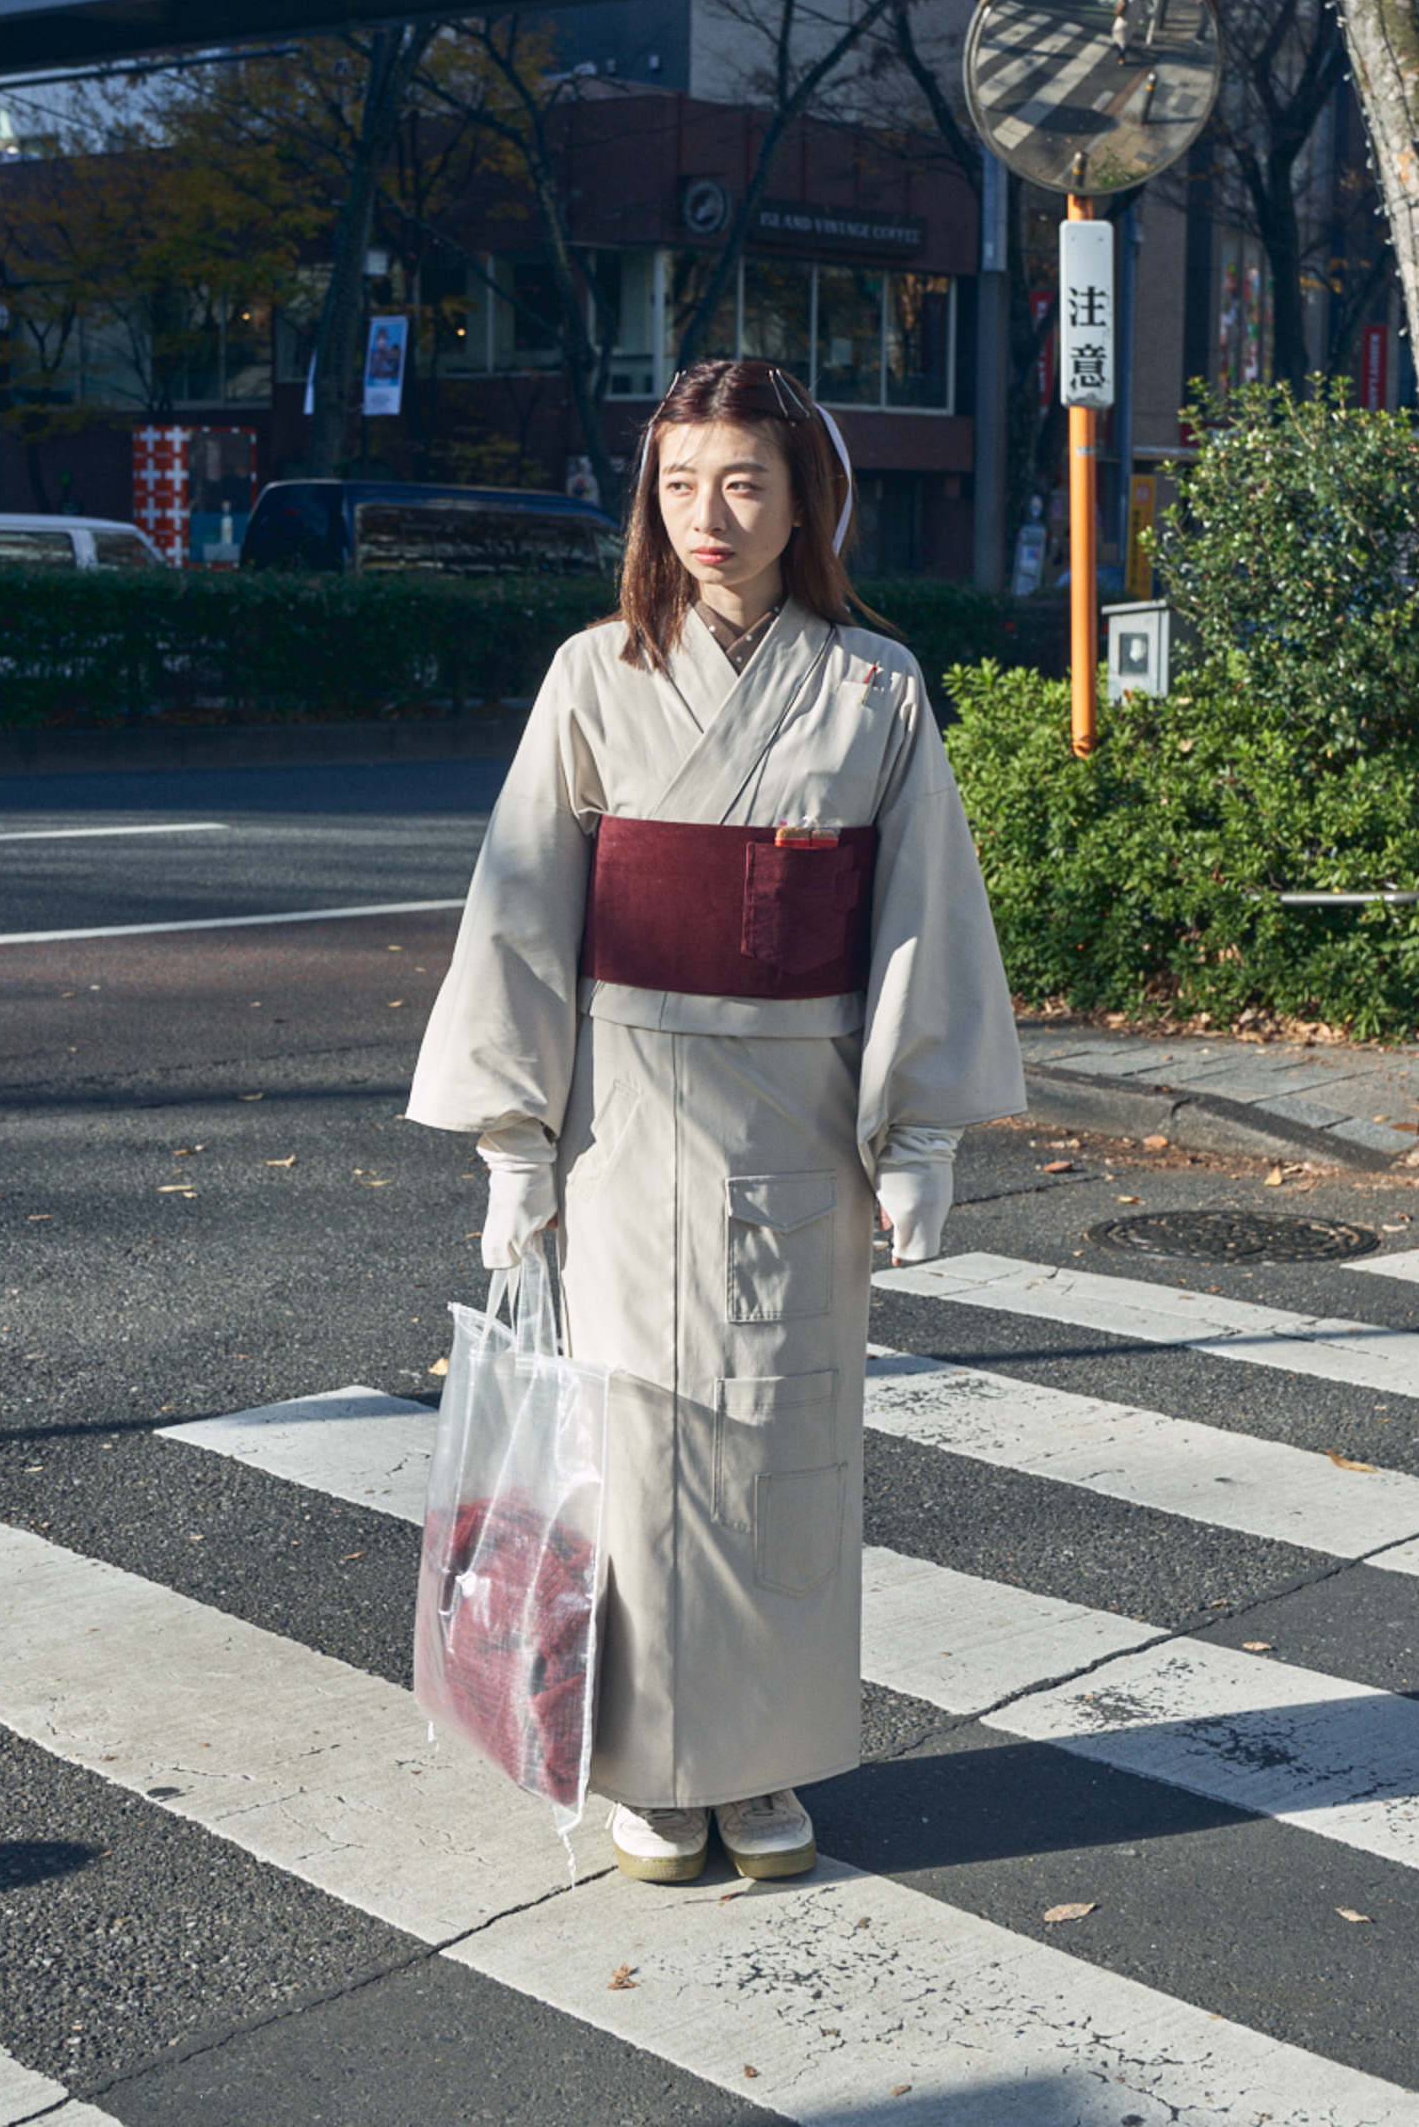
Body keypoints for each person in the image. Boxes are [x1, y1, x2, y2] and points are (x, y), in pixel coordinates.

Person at [407, 359, 1025, 1886]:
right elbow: (524, 914)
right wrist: (511, 1145)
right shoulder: (593, 673)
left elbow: (917, 922)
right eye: (679, 485)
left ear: (805, 495)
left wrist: (923, 1136)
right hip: (625, 1115)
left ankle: (763, 1765)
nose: (709, 516)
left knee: (787, 1445)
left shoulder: (874, 684)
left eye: (744, 482)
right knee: (635, 1447)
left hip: (801, 1118)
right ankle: (648, 1766)